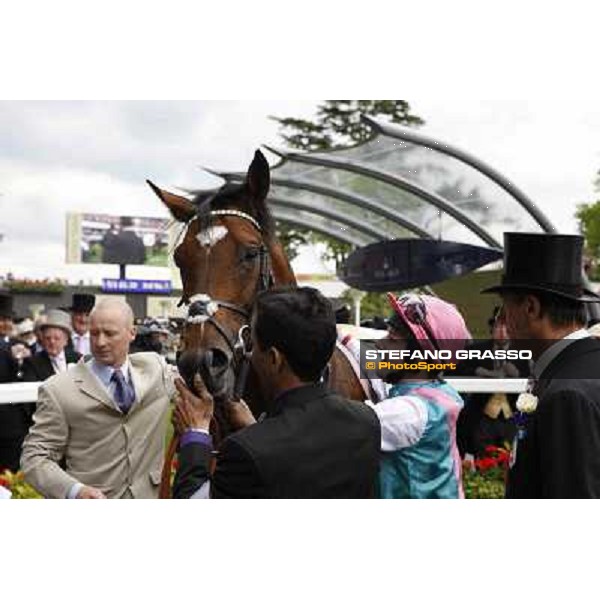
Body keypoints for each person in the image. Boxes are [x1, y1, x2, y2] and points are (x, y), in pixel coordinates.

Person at [172, 287, 381, 499]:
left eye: (252, 343)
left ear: (274, 358)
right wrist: (256, 429)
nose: (250, 354)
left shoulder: (244, 451)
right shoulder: (366, 421)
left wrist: (195, 434)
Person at [483, 232, 600, 498]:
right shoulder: (577, 368)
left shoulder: (567, 393)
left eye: (504, 309)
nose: (503, 322)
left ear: (531, 308)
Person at [21, 298, 174, 498]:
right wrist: (75, 491)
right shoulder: (58, 389)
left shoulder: (156, 370)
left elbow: (200, 387)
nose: (100, 342)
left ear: (132, 333)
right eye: (94, 333)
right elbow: (34, 458)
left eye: (110, 334)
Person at [369, 293, 470, 498]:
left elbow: (341, 426)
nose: (379, 344)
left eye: (392, 338)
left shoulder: (410, 411)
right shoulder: (438, 391)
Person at [456, 306, 531, 457]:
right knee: (481, 456)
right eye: (498, 327)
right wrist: (481, 372)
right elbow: (457, 369)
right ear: (491, 328)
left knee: (513, 455)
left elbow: (534, 377)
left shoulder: (525, 350)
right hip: (482, 416)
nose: (502, 332)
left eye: (506, 327)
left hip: (512, 416)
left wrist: (517, 375)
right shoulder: (476, 349)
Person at [20, 310, 81, 382]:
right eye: (47, 338)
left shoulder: (78, 359)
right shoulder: (32, 363)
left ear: (66, 341)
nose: (52, 342)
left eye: (57, 338)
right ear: (42, 340)